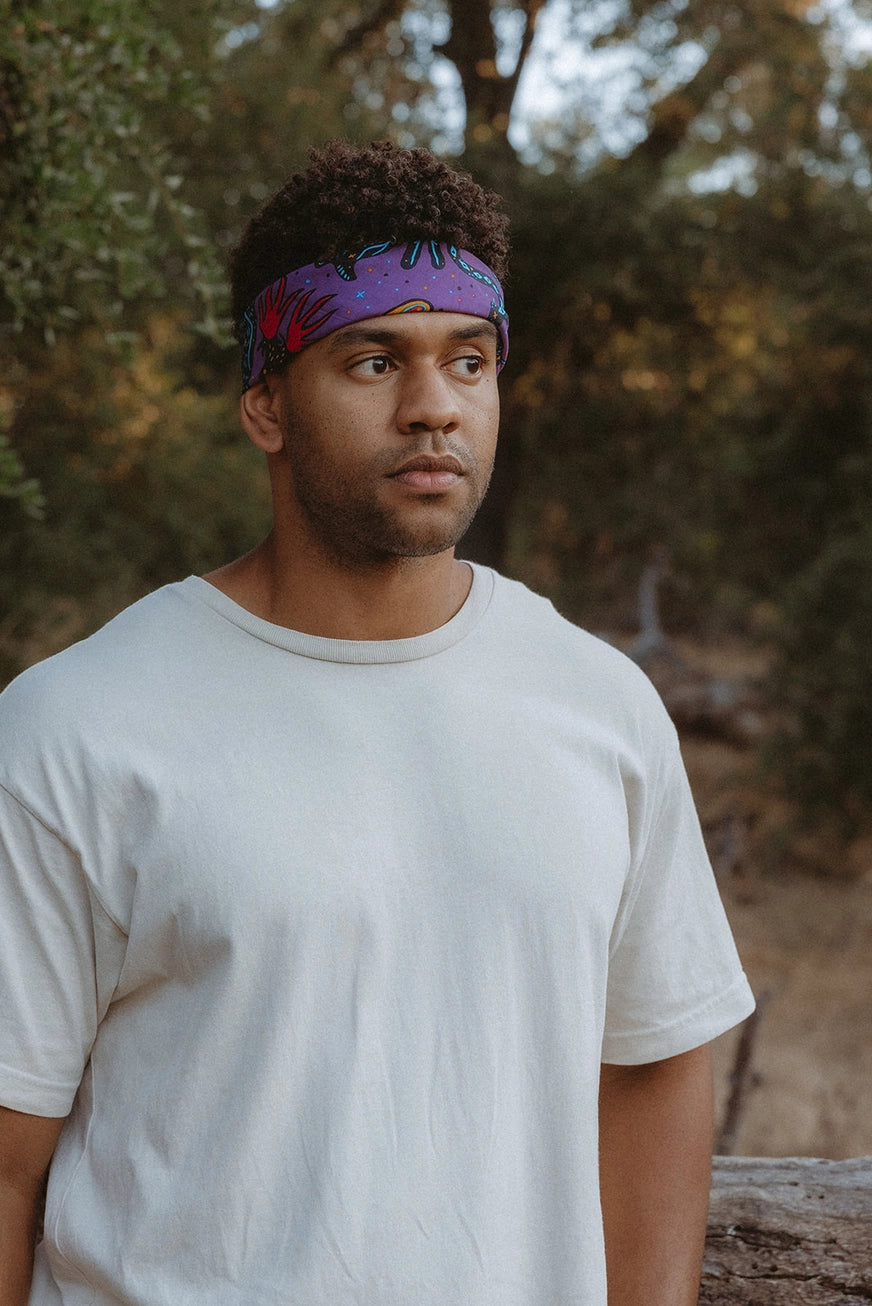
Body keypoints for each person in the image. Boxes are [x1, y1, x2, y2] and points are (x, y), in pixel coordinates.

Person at [0, 139, 754, 1306]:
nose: (432, 407)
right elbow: (7, 1163)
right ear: (264, 403)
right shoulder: (77, 725)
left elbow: (653, 1068)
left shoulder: (598, 708)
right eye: (371, 361)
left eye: (467, 360)